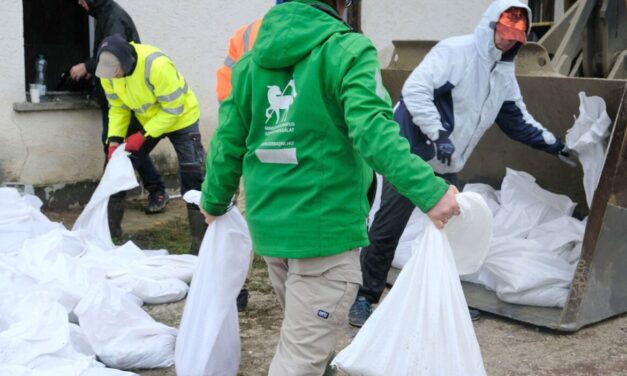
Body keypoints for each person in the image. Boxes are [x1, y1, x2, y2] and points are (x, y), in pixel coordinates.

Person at [199, 1, 459, 374]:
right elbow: (373, 132)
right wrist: (430, 192)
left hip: (272, 231)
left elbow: (227, 143)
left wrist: (213, 200)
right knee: (299, 361)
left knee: (306, 342)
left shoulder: (250, 63)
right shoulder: (348, 51)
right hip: (325, 237)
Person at [348, 0, 570, 327]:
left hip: (449, 159)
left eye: (514, 37)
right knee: (389, 226)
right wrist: (437, 134)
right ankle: (365, 297)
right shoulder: (455, 53)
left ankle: (446, 302)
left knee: (452, 232)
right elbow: (416, 92)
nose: (507, 40)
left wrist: (554, 145)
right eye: (503, 32)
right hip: (412, 153)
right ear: (491, 24)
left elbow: (517, 119)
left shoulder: (504, 74)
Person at [94, 34, 206, 254]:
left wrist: (143, 134)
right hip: (148, 120)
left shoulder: (157, 65)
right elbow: (117, 108)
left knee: (192, 177)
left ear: (125, 62)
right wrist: (115, 140)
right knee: (116, 169)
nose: (112, 77)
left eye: (116, 72)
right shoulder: (107, 72)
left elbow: (173, 109)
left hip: (181, 118)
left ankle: (200, 249)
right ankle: (111, 238)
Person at [69, 0, 168, 239]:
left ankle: (137, 198)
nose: (80, 4)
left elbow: (112, 57)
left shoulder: (112, 17)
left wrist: (87, 66)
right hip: (118, 99)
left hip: (127, 97)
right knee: (120, 145)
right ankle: (119, 203)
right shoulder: (104, 14)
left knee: (128, 147)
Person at [215, 0, 285, 312]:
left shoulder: (246, 34)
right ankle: (239, 286)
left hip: (254, 134)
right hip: (285, 137)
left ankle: (236, 287)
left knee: (246, 213)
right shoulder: (325, 33)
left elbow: (226, 91)